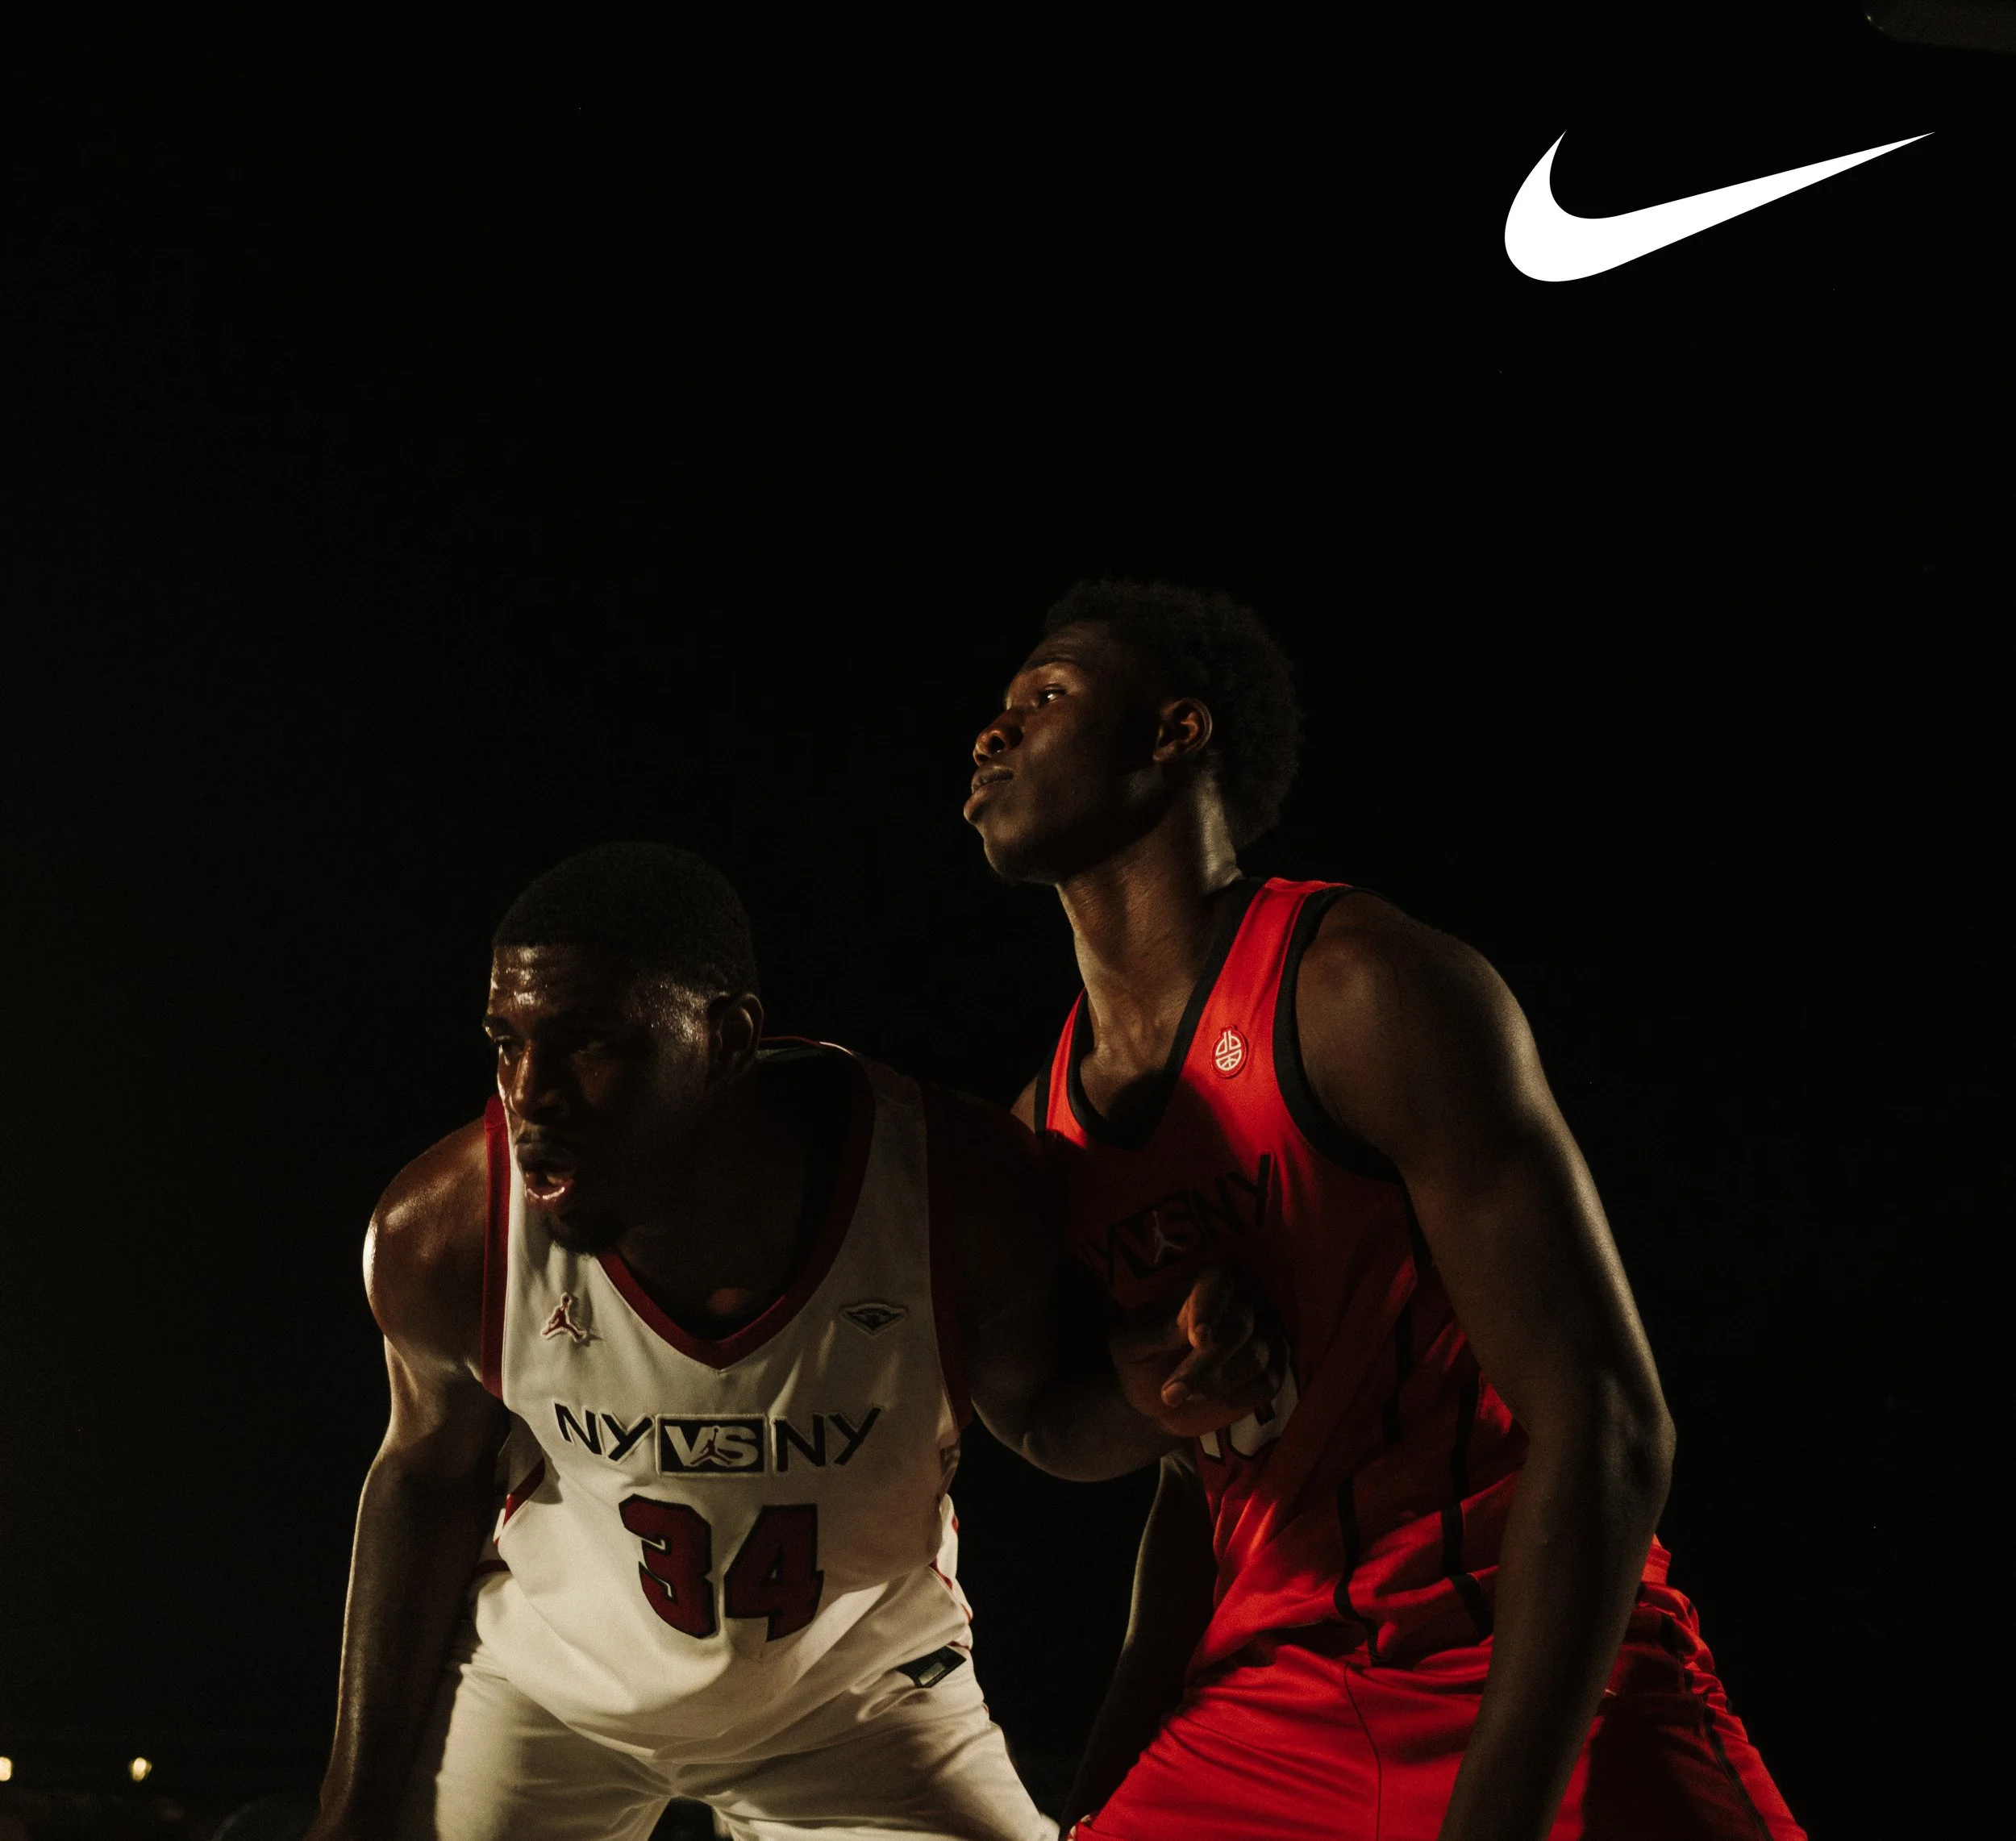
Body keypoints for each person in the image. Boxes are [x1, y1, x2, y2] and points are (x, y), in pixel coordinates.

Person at [964, 581, 1806, 1841]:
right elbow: (1184, 1491)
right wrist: (1097, 1801)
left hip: (1530, 1667)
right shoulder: (1051, 1127)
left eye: (1046, 693)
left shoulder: (1362, 988)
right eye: (999, 706)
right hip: (1270, 1704)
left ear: (1176, 732)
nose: (994, 730)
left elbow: (1613, 1422)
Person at [306, 842, 1278, 1841]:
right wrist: (350, 1803)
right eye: (507, 1043)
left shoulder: (952, 1189)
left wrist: (1144, 1400)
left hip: (854, 1714)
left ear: (726, 1038)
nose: (530, 1091)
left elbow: (1039, 1422)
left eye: (589, 1041)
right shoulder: (446, 1231)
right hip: (549, 1701)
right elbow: (424, 1476)